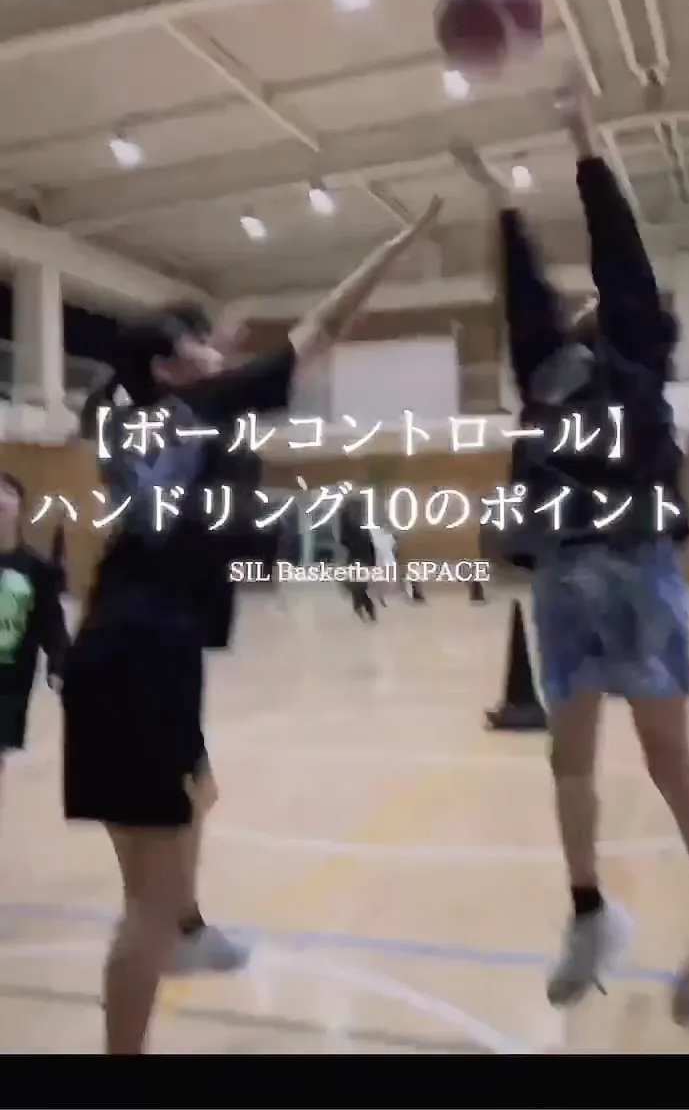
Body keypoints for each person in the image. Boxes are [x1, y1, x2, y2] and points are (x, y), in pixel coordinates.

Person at [64, 195, 442, 1055]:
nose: (215, 348)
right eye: (196, 341)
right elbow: (323, 328)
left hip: (112, 646)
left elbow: (170, 399)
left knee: (192, 800)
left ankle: (188, 925)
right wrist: (394, 246)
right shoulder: (196, 406)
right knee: (145, 908)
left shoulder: (124, 415)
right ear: (171, 365)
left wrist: (208, 351)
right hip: (148, 656)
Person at [453, 70, 689, 1027]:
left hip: (636, 567)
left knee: (668, 762)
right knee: (568, 763)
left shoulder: (637, 349)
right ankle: (590, 914)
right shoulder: (546, 369)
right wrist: (501, 200)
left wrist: (582, 137)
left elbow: (619, 254)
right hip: (565, 575)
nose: (575, 307)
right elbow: (524, 295)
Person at [0, 472, 68, 803]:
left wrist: (59, 664)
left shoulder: (35, 568)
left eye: (7, 492)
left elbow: (50, 621)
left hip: (10, 680)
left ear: (20, 510)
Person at [339, 494, 377, 621]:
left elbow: (344, 539)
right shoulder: (359, 526)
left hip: (359, 558)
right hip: (360, 558)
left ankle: (363, 608)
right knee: (357, 586)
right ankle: (364, 608)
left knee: (357, 587)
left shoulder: (356, 527)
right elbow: (345, 539)